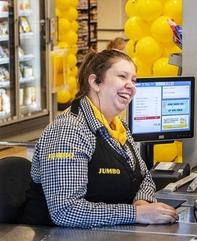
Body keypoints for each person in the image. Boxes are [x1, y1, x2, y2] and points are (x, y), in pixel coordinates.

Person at [19, 50, 178, 227]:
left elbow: (144, 177)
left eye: (133, 80)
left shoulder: (119, 126)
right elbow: (65, 211)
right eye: (122, 76)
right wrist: (136, 213)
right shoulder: (68, 131)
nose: (131, 86)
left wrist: (141, 202)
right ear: (95, 82)